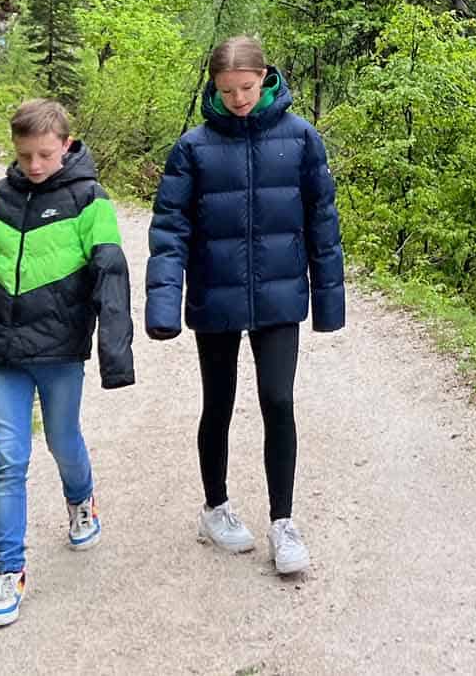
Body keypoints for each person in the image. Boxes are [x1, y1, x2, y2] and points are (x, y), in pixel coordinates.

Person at [145, 36, 345, 576]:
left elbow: (323, 226)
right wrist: (164, 302)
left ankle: (284, 522)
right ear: (214, 88)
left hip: (281, 296)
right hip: (215, 296)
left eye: (247, 88)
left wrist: (329, 302)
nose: (237, 99)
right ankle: (216, 508)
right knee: (220, 402)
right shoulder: (193, 147)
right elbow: (169, 230)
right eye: (227, 90)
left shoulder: (302, 140)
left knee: (279, 401)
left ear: (266, 79)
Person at [0, 98, 135, 628]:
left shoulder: (90, 201)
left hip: (59, 353)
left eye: (44, 154)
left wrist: (114, 354)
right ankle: (9, 571)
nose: (34, 165)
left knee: (61, 442)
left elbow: (112, 275)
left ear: (65, 144)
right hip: (4, 354)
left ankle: (81, 500)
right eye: (25, 154)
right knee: (8, 460)